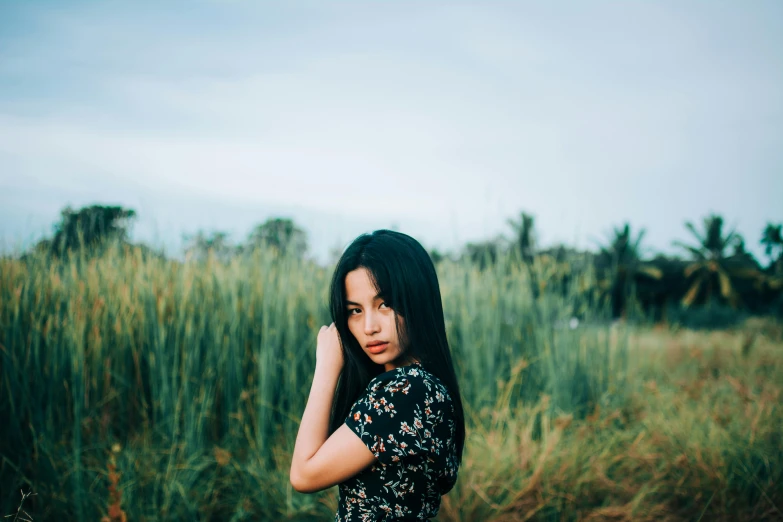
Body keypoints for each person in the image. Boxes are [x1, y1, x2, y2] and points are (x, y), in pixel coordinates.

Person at [289, 229, 466, 521]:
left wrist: (326, 367)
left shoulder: (407, 391)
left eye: (384, 304)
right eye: (355, 311)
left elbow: (304, 475)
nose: (369, 326)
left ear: (416, 299)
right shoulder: (424, 388)